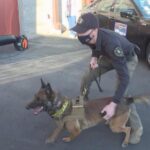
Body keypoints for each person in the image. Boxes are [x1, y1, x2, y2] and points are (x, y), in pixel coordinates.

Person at [71, 12, 143, 144]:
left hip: (127, 59)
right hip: (108, 57)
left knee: (123, 96)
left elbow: (124, 78)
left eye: (82, 32)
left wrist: (113, 104)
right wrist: (94, 57)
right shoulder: (90, 37)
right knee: (87, 77)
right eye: (78, 31)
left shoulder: (111, 44)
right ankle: (83, 108)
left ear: (94, 31)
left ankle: (137, 129)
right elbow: (94, 46)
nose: (79, 35)